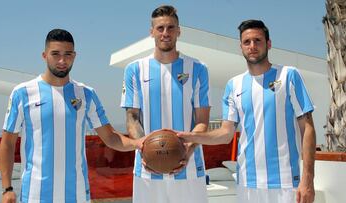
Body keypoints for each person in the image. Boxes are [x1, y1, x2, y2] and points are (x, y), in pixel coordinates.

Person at [178, 19, 316, 203]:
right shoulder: (233, 85)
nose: (252, 46)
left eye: (257, 40)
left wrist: (308, 179)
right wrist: (191, 137)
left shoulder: (289, 75)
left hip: (286, 182)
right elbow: (225, 134)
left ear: (268, 44)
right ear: (241, 47)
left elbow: (307, 129)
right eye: (247, 42)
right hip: (247, 184)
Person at [0, 28, 142, 203]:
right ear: (44, 55)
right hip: (35, 195)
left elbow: (111, 137)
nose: (62, 60)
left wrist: (138, 143)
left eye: (67, 54)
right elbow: (7, 143)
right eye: (55, 54)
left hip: (77, 194)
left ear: (74, 56)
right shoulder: (22, 93)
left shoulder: (86, 94)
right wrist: (7, 189)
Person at [120, 5, 211, 203]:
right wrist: (145, 148)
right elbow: (132, 118)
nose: (165, 33)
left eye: (171, 28)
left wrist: (187, 149)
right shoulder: (134, 69)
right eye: (160, 28)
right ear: (151, 32)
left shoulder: (198, 69)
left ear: (179, 31)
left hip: (190, 167)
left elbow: (202, 120)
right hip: (147, 168)